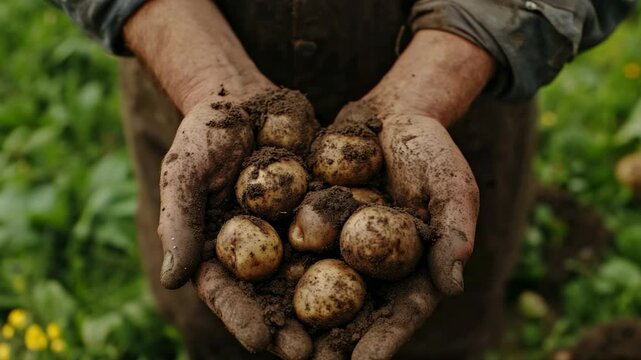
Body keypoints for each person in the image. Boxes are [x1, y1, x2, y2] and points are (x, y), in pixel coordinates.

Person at [50, 0, 634, 358]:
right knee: (216, 333)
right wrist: (207, 78)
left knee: (442, 326)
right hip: (188, 79)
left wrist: (435, 83)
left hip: (459, 97)